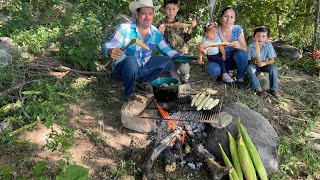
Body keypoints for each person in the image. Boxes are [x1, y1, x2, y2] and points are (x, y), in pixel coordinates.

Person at [101, 0, 181, 101]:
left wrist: (181, 56)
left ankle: (143, 82)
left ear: (153, 15)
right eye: (143, 13)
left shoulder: (155, 33)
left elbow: (167, 50)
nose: (147, 17)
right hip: (124, 69)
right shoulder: (125, 29)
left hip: (143, 67)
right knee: (131, 61)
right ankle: (129, 93)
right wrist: (109, 51)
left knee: (168, 61)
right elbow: (108, 45)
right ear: (136, 14)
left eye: (150, 14)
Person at [201, 6, 248, 88]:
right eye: (226, 16)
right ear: (221, 17)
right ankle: (222, 74)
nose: (228, 19)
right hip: (219, 60)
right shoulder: (214, 30)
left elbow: (246, 49)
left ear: (234, 19)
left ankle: (240, 78)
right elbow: (207, 50)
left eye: (231, 17)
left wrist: (239, 46)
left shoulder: (237, 29)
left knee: (242, 54)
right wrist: (203, 51)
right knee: (213, 70)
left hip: (234, 60)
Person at [157, 0, 197, 84]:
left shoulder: (182, 20)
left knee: (184, 68)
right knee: (175, 79)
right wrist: (160, 33)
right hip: (169, 54)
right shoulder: (160, 23)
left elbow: (186, 39)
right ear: (164, 10)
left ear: (177, 9)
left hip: (182, 52)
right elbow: (159, 43)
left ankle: (185, 77)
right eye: (168, 9)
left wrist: (190, 28)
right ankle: (175, 77)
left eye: (173, 9)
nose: (171, 12)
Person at [246, 26, 280, 97]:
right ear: (253, 37)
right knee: (249, 68)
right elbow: (248, 61)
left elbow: (272, 60)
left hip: (265, 65)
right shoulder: (250, 47)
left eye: (263, 36)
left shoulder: (269, 46)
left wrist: (264, 63)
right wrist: (254, 60)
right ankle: (258, 89)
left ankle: (273, 89)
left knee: (273, 67)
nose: (260, 38)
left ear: (267, 38)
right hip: (254, 65)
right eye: (258, 36)